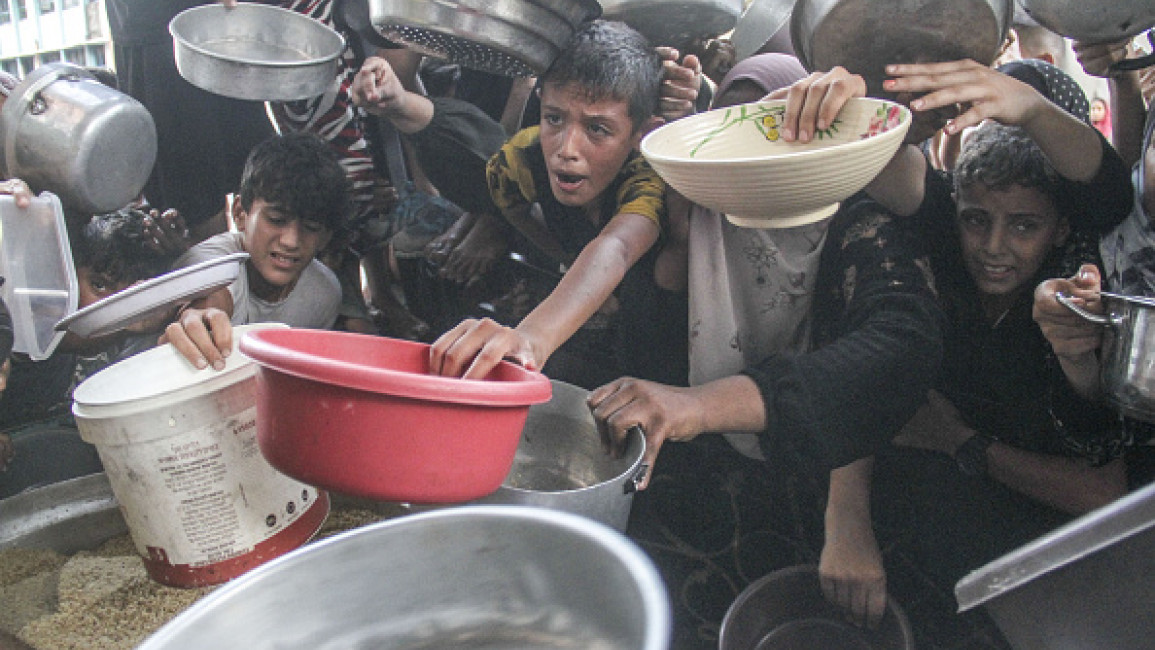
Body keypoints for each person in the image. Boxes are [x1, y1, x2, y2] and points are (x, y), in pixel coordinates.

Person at [587, 55, 944, 646]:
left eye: (772, 124)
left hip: (835, 491)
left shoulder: (858, 220)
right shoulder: (700, 216)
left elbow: (891, 351)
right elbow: (650, 351)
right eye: (734, 124)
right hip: (726, 487)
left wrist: (847, 510)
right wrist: (675, 248)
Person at [780, 57, 1133, 615]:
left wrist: (962, 441)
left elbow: (1103, 493)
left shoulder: (1079, 293)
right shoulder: (933, 243)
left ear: (1062, 225)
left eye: (1023, 225)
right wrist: (856, 105)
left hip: (1042, 556)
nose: (994, 246)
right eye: (976, 220)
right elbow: (891, 181)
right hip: (924, 517)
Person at [427, 20, 694, 389]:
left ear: (642, 134)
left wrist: (530, 339)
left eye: (597, 129)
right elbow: (514, 212)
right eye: (555, 118)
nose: (566, 150)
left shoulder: (646, 177)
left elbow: (616, 246)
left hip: (663, 335)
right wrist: (566, 260)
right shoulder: (517, 159)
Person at [0, 204, 177, 495]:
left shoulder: (140, 349)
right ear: (63, 274)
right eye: (99, 286)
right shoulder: (22, 333)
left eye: (129, 298)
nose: (108, 309)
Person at [163, 131, 351, 370]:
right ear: (241, 214)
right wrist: (198, 319)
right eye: (276, 220)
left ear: (325, 237)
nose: (291, 241)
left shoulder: (324, 293)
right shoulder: (210, 264)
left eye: (311, 227)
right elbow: (211, 297)